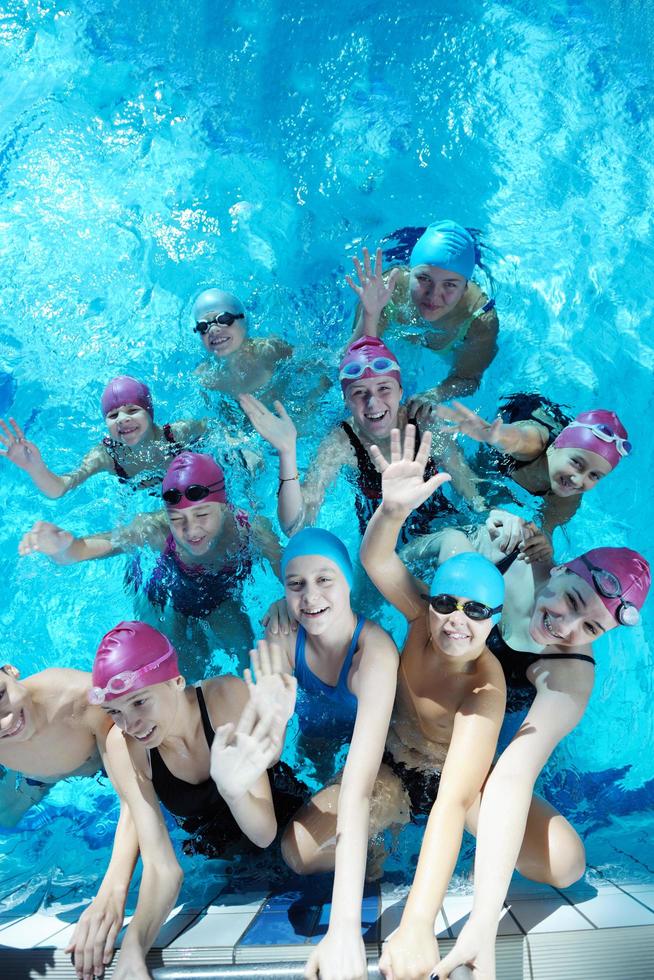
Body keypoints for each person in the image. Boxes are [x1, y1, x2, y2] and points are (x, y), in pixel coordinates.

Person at [393, 443, 650, 980]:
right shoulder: (500, 560)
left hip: (470, 745)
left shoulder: (571, 674)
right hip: (431, 697)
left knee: (566, 862)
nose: (566, 630)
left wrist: (483, 923)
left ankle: (445, 795)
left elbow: (511, 777)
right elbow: (408, 575)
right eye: (571, 602)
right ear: (560, 570)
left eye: (591, 628)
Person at [349, 427, 506, 980]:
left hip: (453, 782)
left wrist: (416, 924)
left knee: (563, 862)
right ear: (430, 601)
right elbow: (375, 560)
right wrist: (390, 511)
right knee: (306, 853)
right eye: (445, 602)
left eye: (476, 611)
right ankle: (379, 849)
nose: (456, 619)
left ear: (495, 621)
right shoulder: (419, 620)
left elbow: (451, 801)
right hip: (395, 762)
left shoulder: (485, 688)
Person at [87, 620, 304, 980]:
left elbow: (265, 833)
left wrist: (232, 789)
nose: (130, 724)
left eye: (139, 702)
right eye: (115, 712)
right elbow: (162, 868)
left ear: (176, 682)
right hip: (219, 851)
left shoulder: (225, 700)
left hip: (284, 820)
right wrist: (134, 947)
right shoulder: (125, 750)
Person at [259, 528, 400, 980]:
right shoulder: (283, 642)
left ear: (348, 583)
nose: (310, 596)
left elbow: (357, 789)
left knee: (297, 853)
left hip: (381, 767)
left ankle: (376, 852)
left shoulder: (373, 653)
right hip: (320, 748)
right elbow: (271, 741)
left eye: (325, 580)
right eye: (295, 584)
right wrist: (266, 732)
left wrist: (342, 930)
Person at [18, 452, 280, 661]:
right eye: (177, 519)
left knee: (248, 656)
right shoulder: (155, 529)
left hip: (221, 599)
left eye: (202, 515)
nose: (191, 530)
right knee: (182, 669)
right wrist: (64, 547)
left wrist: (285, 602)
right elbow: (95, 547)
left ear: (224, 506)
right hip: (167, 600)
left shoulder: (251, 530)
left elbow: (291, 573)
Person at [239, 334, 484, 542]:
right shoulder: (341, 443)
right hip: (381, 540)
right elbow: (296, 526)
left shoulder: (424, 423)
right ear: (346, 400)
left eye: (384, 389)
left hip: (444, 522)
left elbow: (470, 491)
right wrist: (287, 453)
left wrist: (487, 517)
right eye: (359, 393)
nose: (372, 402)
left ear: (400, 392)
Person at [0, 663, 138, 980]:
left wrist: (112, 893)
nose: (5, 721)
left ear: (10, 671)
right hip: (34, 778)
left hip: (97, 762)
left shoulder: (83, 699)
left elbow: (135, 798)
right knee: (5, 818)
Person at [347, 221, 499, 403]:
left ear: (465, 287)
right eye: (424, 279)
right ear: (410, 273)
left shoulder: (480, 319)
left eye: (450, 285)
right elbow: (352, 358)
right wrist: (369, 314)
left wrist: (435, 395)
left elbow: (467, 378)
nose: (433, 296)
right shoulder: (388, 291)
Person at [437, 398, 631, 533]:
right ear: (555, 446)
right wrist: (495, 436)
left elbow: (546, 532)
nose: (578, 479)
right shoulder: (535, 444)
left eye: (594, 475)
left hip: (557, 436)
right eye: (577, 463)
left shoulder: (567, 498)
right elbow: (517, 438)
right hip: (520, 410)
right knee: (472, 491)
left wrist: (543, 541)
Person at [0, 376, 207, 497]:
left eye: (133, 410)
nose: (122, 419)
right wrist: (34, 467)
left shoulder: (176, 433)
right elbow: (59, 489)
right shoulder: (105, 455)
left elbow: (215, 431)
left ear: (150, 414)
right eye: (113, 415)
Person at [193, 287, 293, 398]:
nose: (212, 330)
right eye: (203, 326)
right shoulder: (206, 376)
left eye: (224, 319)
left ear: (243, 321)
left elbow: (311, 363)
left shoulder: (268, 349)